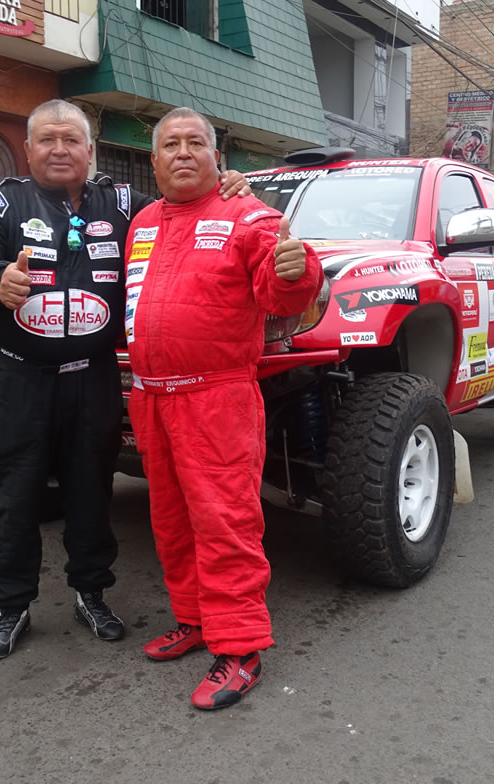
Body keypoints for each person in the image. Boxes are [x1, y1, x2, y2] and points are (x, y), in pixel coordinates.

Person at [0, 99, 249, 661]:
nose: (59, 150)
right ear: (29, 146)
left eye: (71, 140)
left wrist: (229, 183)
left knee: (92, 490)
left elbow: (185, 209)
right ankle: (11, 606)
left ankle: (92, 594)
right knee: (16, 497)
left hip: (93, 380)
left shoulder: (124, 203)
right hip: (20, 378)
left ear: (90, 149)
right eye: (47, 140)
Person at [123, 107, 324, 709]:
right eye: (170, 145)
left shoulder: (250, 216)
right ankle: (194, 619)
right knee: (172, 519)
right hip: (152, 397)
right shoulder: (143, 223)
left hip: (216, 397)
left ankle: (239, 648)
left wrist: (297, 271)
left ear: (217, 158)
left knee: (225, 524)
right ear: (153, 161)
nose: (182, 153)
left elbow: (279, 285)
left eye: (195, 144)